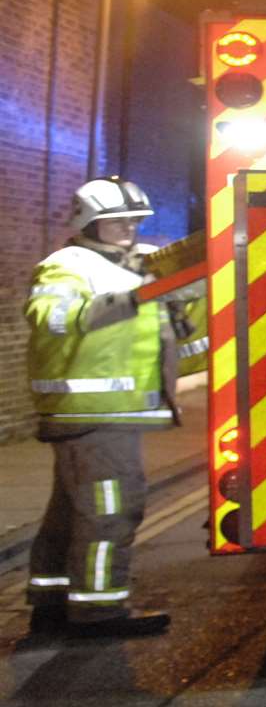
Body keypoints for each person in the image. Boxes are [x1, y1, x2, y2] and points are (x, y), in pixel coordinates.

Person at [22, 178, 182, 638]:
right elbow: (54, 319)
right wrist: (132, 299)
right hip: (91, 412)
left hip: (105, 412)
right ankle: (98, 612)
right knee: (112, 510)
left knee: (70, 513)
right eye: (116, 221)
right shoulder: (66, 267)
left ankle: (51, 604)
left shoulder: (136, 264)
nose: (129, 227)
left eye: (135, 219)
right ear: (87, 222)